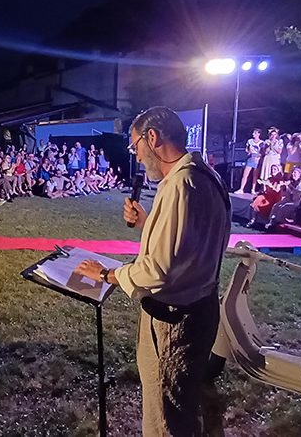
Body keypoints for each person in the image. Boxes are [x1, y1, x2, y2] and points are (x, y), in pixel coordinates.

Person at [75, 106, 230, 436]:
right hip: (200, 310)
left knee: (165, 420)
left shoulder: (180, 186)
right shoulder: (204, 176)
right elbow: (187, 246)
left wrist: (107, 274)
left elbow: (158, 270)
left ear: (153, 137)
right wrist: (148, 223)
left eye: (135, 146)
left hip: (174, 320)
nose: (137, 155)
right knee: (181, 409)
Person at [237, 128, 263, 193]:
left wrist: (258, 155)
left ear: (259, 134)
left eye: (255, 133)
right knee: (245, 174)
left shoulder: (262, 142)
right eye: (253, 133)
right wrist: (248, 151)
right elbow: (247, 149)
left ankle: (253, 189)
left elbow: (262, 152)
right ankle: (241, 189)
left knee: (255, 175)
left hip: (257, 159)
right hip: (251, 159)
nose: (253, 134)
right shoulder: (250, 141)